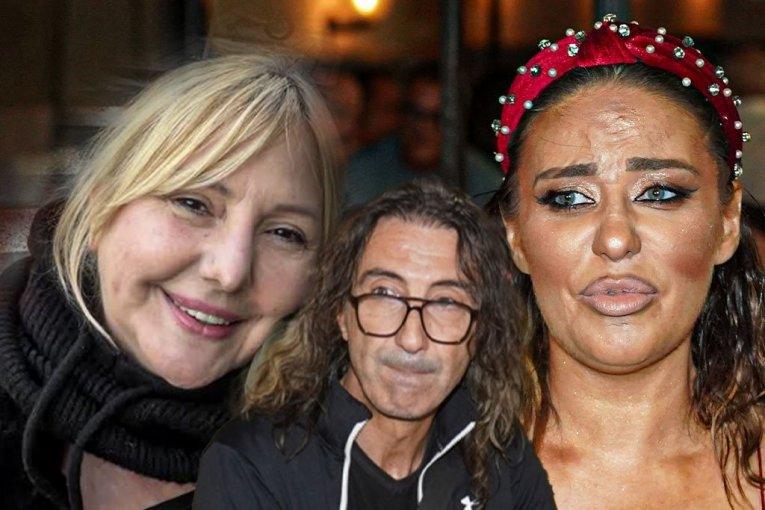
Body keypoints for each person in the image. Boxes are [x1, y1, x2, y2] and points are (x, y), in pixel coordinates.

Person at [0, 54, 341, 509]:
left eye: (284, 233)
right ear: (99, 206)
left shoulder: (331, 473)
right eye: (193, 204)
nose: (230, 272)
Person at [487, 15, 765, 508]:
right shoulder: (429, 472)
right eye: (569, 198)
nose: (615, 240)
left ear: (727, 222)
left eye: (659, 193)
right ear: (516, 237)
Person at [193, 181, 555, 509]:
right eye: (385, 295)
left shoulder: (502, 459)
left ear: (480, 330)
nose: (412, 339)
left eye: (446, 302)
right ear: (341, 314)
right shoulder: (252, 466)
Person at [344, 68, 503, 208]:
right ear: (400, 114)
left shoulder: (486, 185)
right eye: (415, 113)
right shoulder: (359, 172)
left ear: (459, 122)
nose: (423, 126)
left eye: (438, 117)